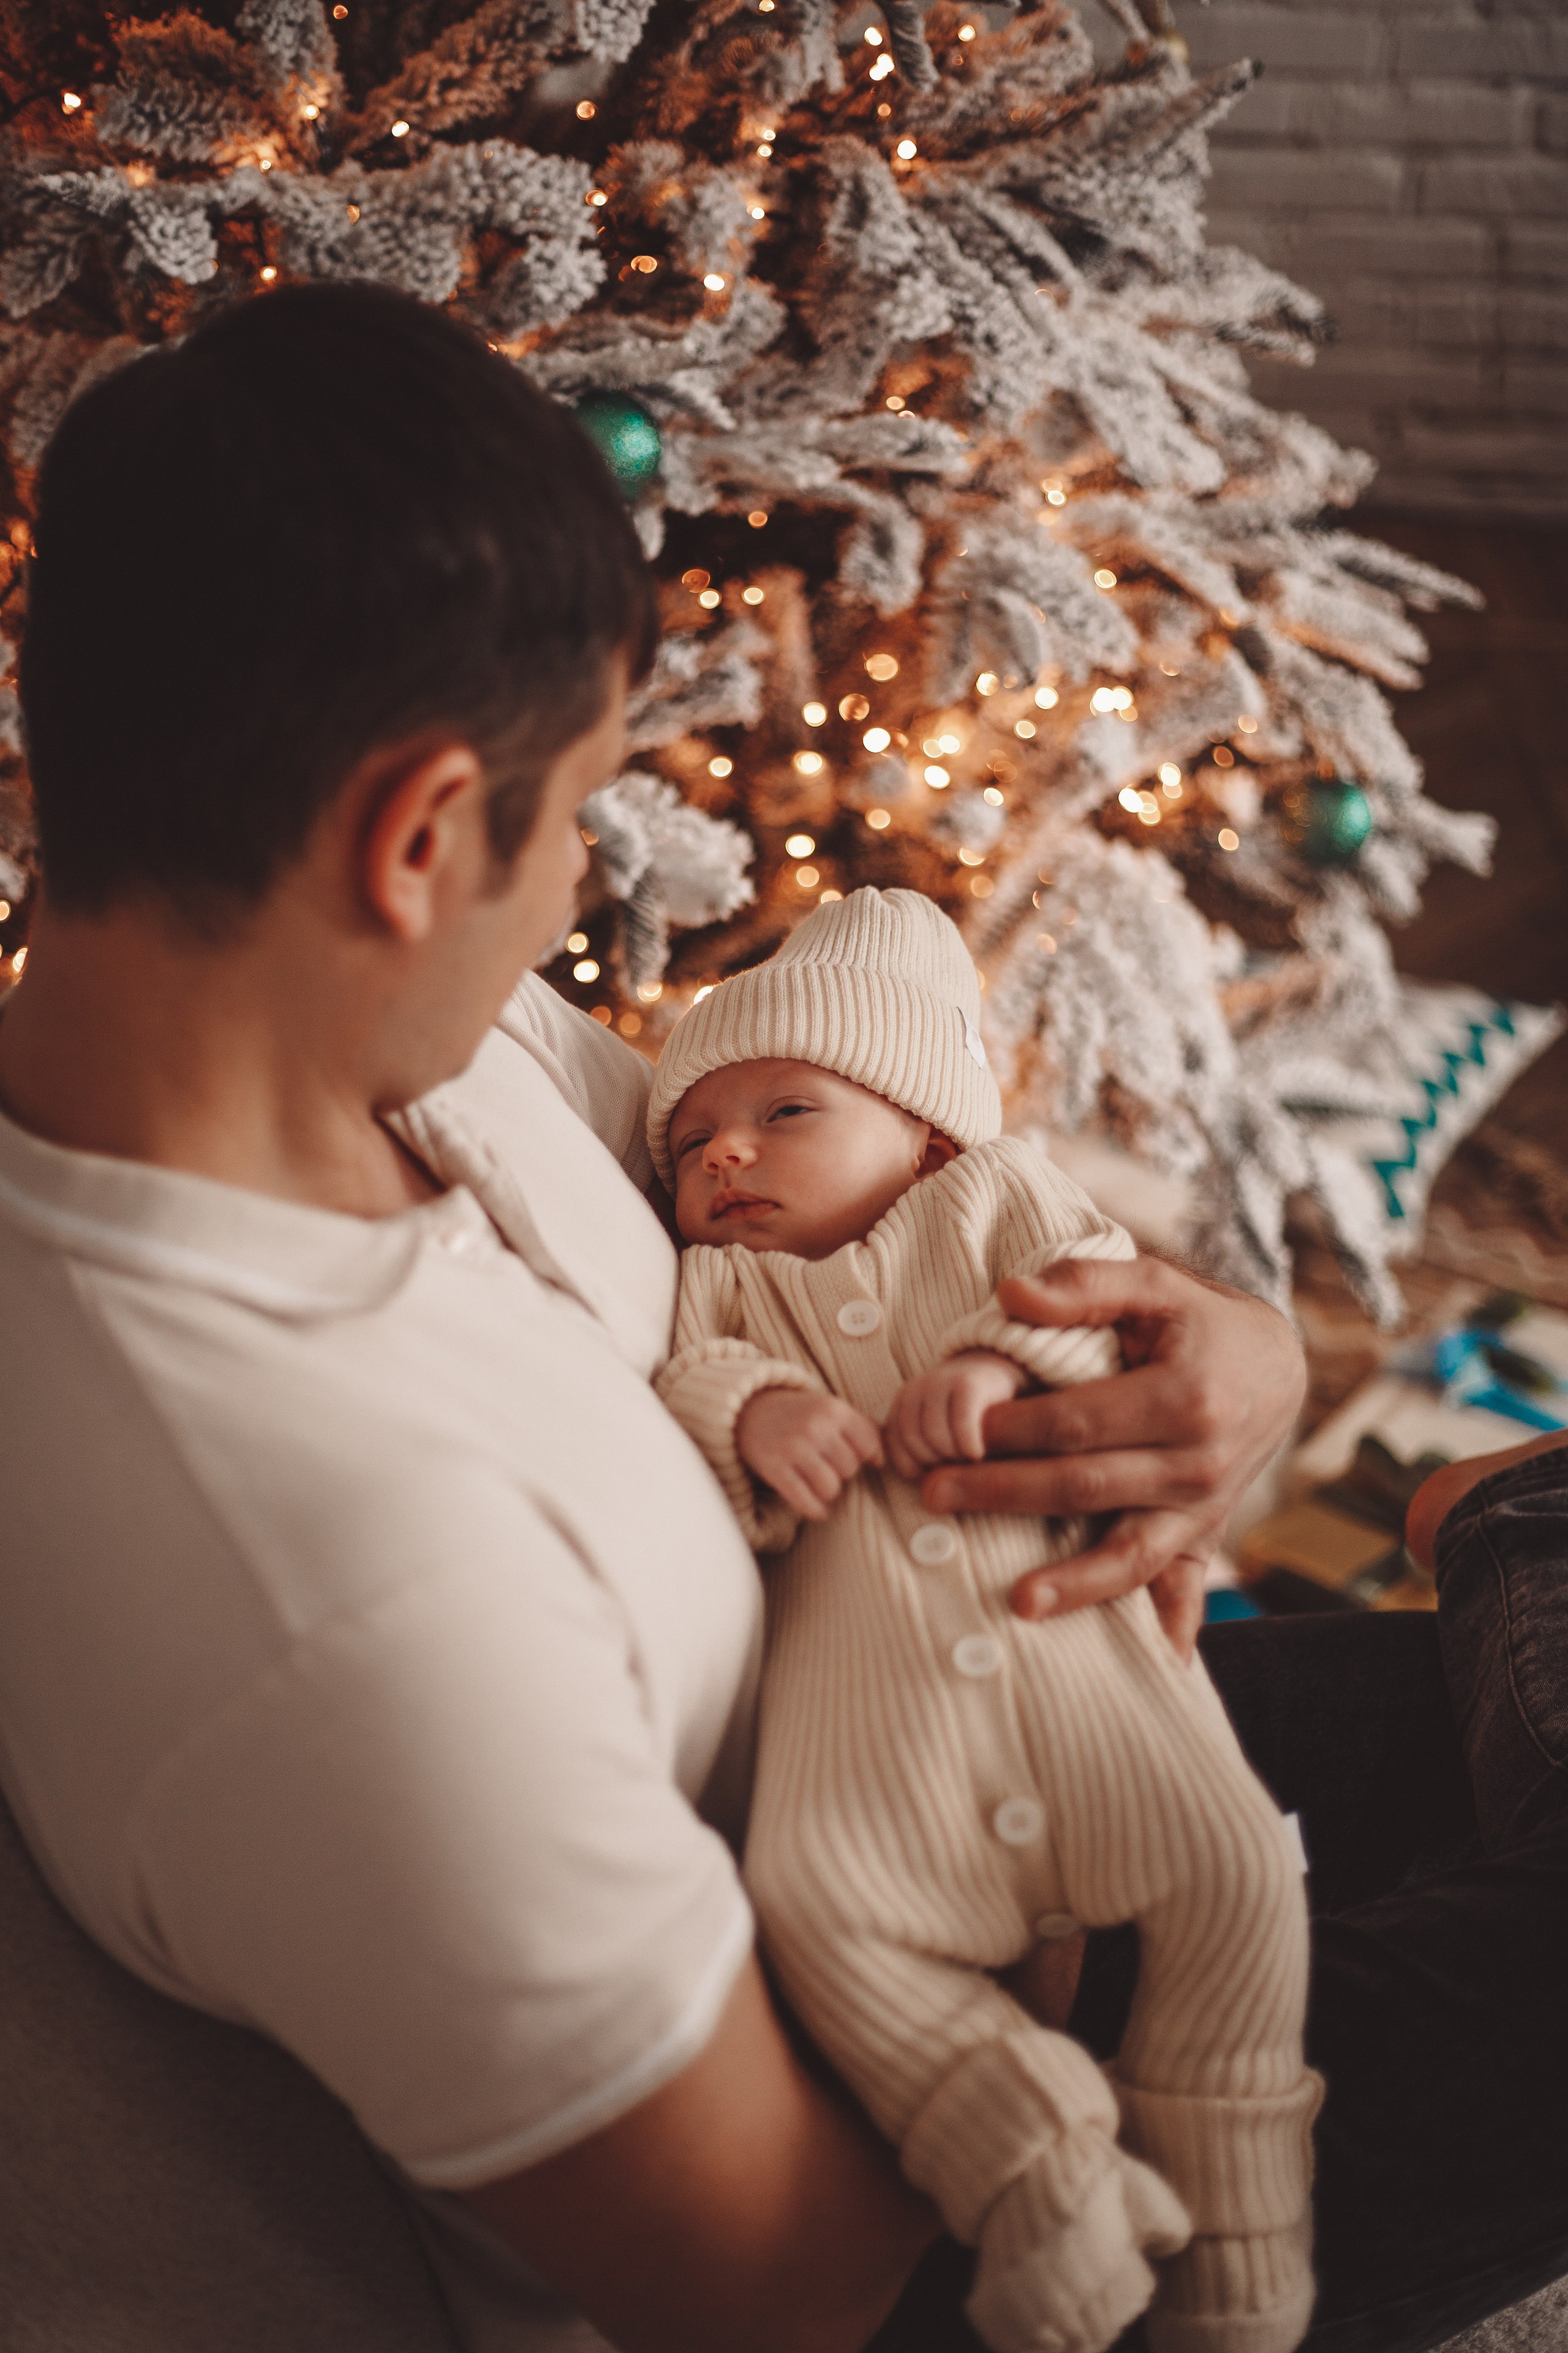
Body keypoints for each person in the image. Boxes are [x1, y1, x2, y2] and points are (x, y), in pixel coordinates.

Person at [0, 281, 1307, 2353]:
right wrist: (1045, 1957)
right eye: (577, 815)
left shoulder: (404, 1040)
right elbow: (793, 2280)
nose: (577, 903)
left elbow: (861, 1187)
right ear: (417, 836)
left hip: (956, 1692)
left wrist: (1234, 1357)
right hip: (961, 2078)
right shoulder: (331, 1592)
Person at [647, 887, 1319, 2353]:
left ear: (925, 1134)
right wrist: (755, 1409)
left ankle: (1244, 2269)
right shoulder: (725, 1282)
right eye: (691, 1143)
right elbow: (683, 1383)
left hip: (1082, 1669)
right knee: (822, 1915)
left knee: (1240, 1886)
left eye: (783, 1110)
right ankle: (1036, 2162)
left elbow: (1097, 1308)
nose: (726, 1155)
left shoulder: (995, 1200)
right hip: (880, 1732)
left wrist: (1008, 1365)